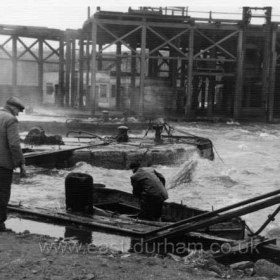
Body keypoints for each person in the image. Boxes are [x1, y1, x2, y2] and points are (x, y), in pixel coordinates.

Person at [0, 96, 26, 231]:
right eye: (18, 111)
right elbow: (14, 145)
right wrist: (21, 163)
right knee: (3, 193)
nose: (18, 114)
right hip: (3, 164)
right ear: (13, 108)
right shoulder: (11, 119)